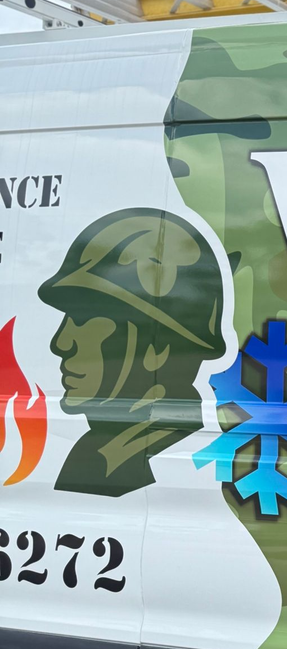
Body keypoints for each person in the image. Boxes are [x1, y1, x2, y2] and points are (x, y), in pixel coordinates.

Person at [39, 208, 226, 497]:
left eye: (85, 317)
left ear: (159, 348)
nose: (60, 342)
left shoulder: (163, 462)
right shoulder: (101, 452)